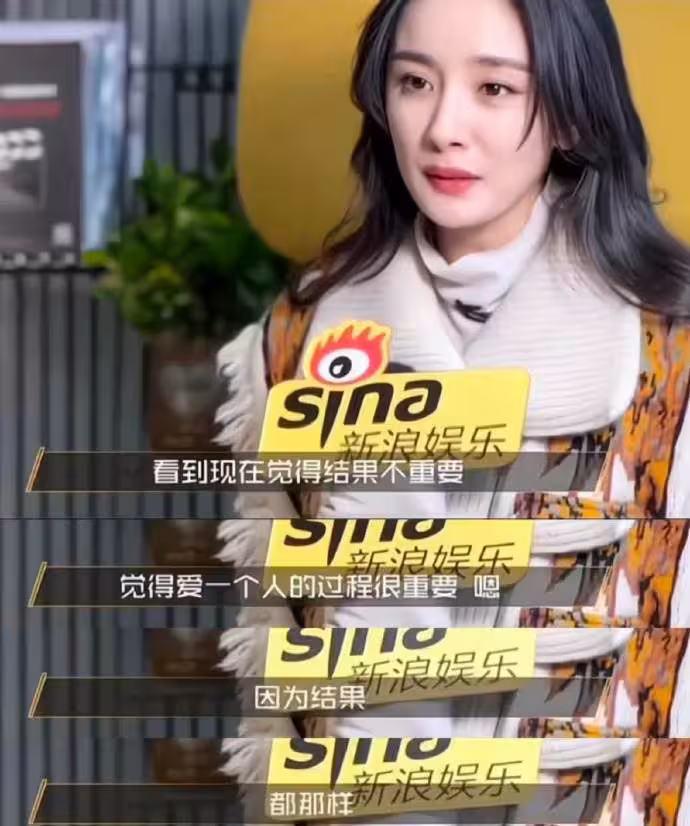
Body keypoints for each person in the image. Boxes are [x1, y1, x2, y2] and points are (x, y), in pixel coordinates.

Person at [216, 0, 690, 823]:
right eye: (414, 83)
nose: (443, 129)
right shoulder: (295, 343)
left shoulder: (667, 354)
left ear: (572, 114)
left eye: (495, 89)